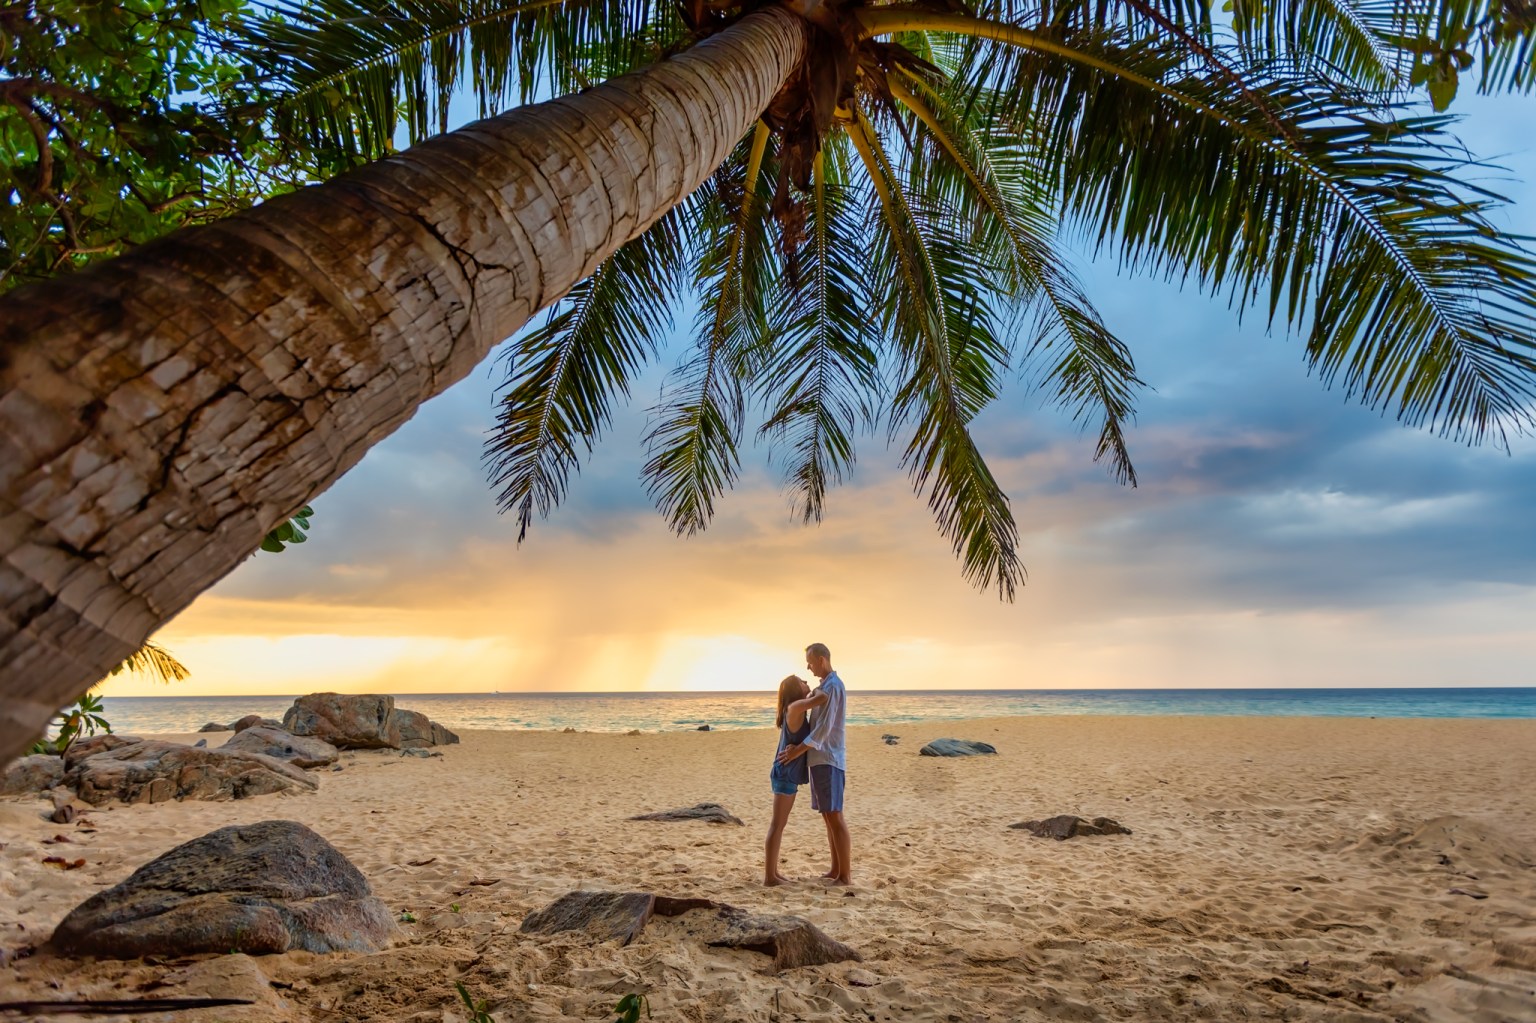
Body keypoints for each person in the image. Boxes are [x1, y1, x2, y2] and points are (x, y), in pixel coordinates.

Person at [775, 642, 850, 885]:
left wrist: (797, 751)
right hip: (818, 761)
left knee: (835, 816)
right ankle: (835, 869)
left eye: (810, 661)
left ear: (821, 659)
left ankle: (845, 876)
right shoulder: (823, 687)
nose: (808, 667)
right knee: (828, 817)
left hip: (828, 759)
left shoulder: (833, 687)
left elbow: (823, 731)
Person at [764, 674, 812, 886]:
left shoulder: (793, 709)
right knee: (777, 825)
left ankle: (773, 873)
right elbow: (821, 699)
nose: (808, 683)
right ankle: (770, 877)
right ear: (795, 689)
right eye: (803, 682)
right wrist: (826, 686)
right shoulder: (795, 708)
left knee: (779, 825)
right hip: (784, 774)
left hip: (786, 774)